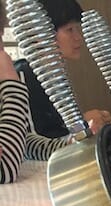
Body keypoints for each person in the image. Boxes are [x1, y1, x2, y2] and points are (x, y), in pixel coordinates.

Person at [14, 0, 111, 138]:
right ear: (43, 32)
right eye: (70, 30)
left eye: (78, 29)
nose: (78, 37)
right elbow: (36, 143)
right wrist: (83, 123)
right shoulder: (24, 75)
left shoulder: (58, 76)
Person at [0, 2, 69, 184]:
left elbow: (24, 143)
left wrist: (70, 145)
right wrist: (10, 81)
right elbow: (5, 167)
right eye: (70, 30)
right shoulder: (18, 76)